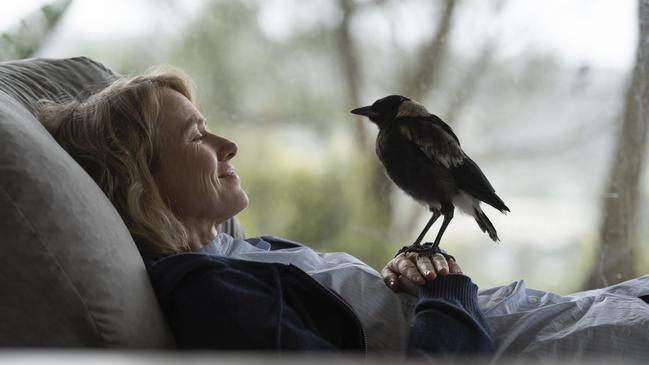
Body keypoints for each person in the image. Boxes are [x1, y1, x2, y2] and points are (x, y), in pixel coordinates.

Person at [37, 66, 495, 358]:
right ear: (140, 180)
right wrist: (450, 291)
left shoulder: (245, 252)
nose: (230, 146)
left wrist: (404, 278)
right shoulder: (210, 290)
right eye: (197, 137)